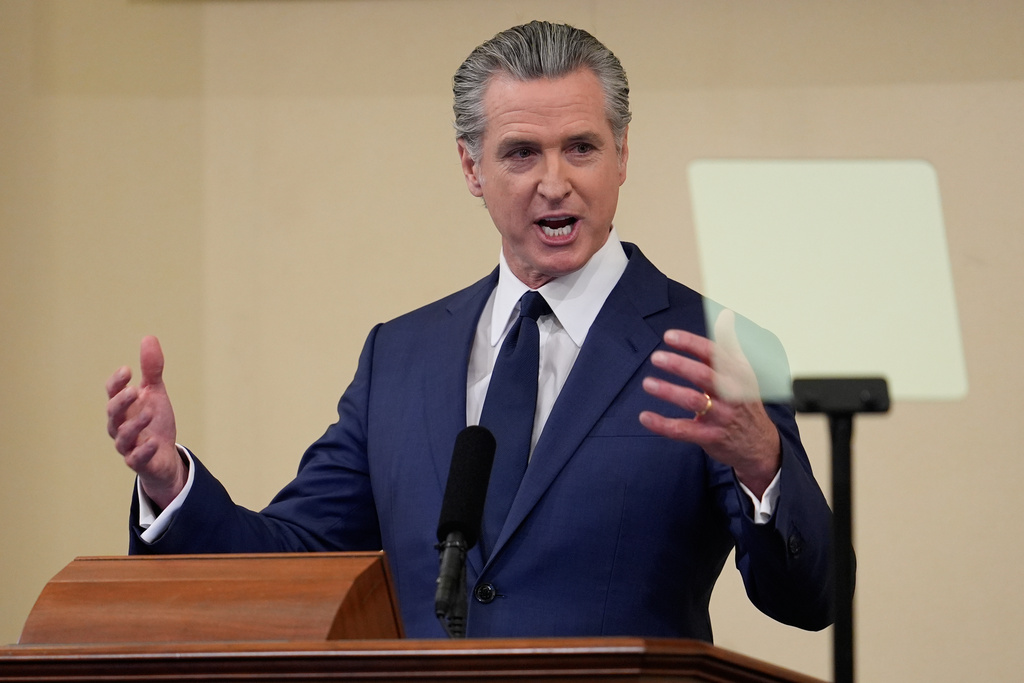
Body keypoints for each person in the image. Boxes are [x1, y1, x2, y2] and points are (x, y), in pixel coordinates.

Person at [105, 21, 835, 640]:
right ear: (471, 167)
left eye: (581, 147)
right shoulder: (401, 356)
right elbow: (294, 562)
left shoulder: (714, 347)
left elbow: (809, 596)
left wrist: (763, 465)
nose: (555, 182)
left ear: (622, 156)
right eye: (522, 153)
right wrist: (172, 486)